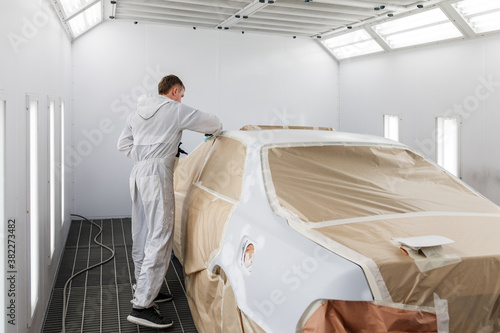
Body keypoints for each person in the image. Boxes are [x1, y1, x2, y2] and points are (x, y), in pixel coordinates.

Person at [117, 75, 222, 329]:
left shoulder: (136, 113)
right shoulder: (173, 110)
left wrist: (148, 155)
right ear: (174, 91)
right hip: (156, 176)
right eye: (182, 94)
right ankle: (142, 305)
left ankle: (142, 286)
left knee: (142, 233)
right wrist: (162, 157)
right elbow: (212, 122)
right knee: (161, 236)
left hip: (138, 174)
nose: (182, 99)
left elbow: (122, 144)